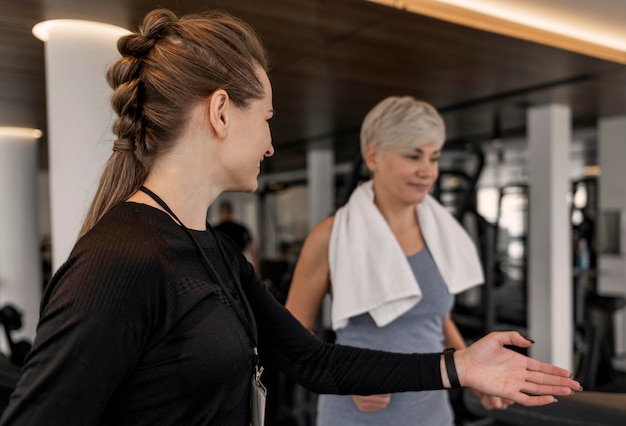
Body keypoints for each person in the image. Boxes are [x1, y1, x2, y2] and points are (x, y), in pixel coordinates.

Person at [0, 8, 580, 426]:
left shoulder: (215, 251)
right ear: (222, 112)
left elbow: (313, 361)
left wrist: (459, 366)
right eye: (268, 118)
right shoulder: (120, 259)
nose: (272, 143)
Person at [285, 96, 509, 425]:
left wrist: (471, 370)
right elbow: (290, 337)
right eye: (413, 156)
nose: (427, 171)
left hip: (431, 413)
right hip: (355, 416)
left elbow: (436, 319)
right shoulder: (330, 236)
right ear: (373, 156)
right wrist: (343, 378)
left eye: (433, 157)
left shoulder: (440, 232)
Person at [214, 200, 261, 274]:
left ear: (220, 212)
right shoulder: (242, 229)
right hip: (239, 266)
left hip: (221, 268)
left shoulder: (215, 230)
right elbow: (252, 251)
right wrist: (257, 272)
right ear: (231, 212)